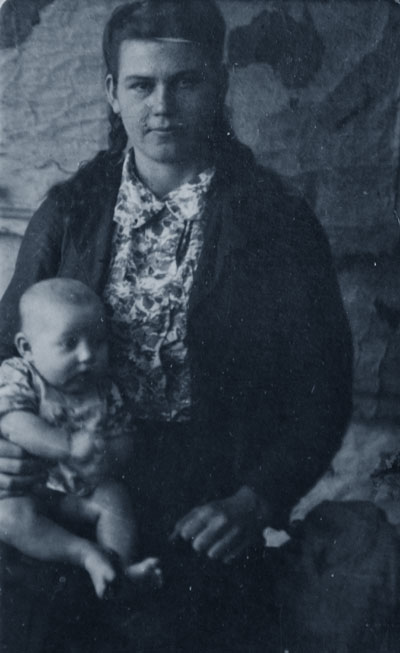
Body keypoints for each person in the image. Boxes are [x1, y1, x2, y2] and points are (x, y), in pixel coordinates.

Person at [0, 1, 399, 651]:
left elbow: (322, 390)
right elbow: (4, 347)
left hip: (201, 497)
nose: (162, 106)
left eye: (185, 82)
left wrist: (254, 501)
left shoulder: (276, 222)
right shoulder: (70, 213)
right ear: (112, 92)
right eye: (141, 85)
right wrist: (8, 449)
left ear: (219, 85)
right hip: (69, 480)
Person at [0, 278, 161, 598]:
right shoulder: (19, 375)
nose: (87, 355)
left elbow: (125, 435)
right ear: (27, 348)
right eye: (70, 343)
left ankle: (120, 568)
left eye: (98, 342)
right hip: (27, 489)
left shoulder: (104, 388)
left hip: (79, 491)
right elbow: (13, 423)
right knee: (7, 517)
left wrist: (110, 454)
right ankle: (84, 553)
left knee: (114, 498)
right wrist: (68, 445)